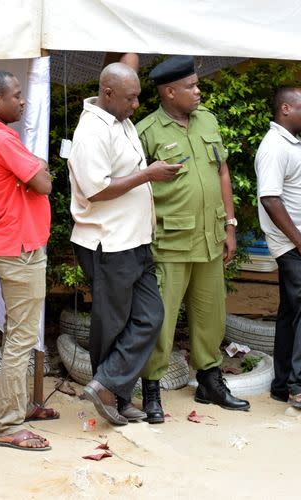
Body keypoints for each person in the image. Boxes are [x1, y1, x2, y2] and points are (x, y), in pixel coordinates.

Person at [136, 55, 249, 421]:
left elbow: (222, 172)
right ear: (169, 92)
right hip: (169, 242)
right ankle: (152, 388)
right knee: (162, 320)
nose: (198, 92)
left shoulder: (208, 121)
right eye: (190, 87)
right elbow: (136, 192)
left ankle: (209, 380)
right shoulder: (146, 132)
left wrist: (230, 224)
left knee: (210, 314)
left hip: (210, 237)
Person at [68, 62, 172, 426]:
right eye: (131, 97)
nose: (137, 104)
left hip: (135, 240)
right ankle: (114, 394)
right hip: (108, 243)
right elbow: (96, 189)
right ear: (108, 93)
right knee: (111, 326)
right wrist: (148, 174)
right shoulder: (91, 131)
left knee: (150, 316)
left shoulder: (120, 121)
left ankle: (109, 387)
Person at [0, 70, 56, 452]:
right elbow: (44, 182)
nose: (22, 102)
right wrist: (38, 172)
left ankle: (18, 409)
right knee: (21, 338)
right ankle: (9, 425)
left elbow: (36, 175)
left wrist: (35, 170)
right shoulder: (2, 139)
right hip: (18, 248)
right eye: (16, 96)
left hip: (14, 244)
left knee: (18, 333)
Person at [255, 87, 301, 412]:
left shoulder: (294, 143)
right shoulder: (274, 147)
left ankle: (284, 382)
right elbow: (270, 198)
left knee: (293, 314)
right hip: (299, 247)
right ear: (286, 109)